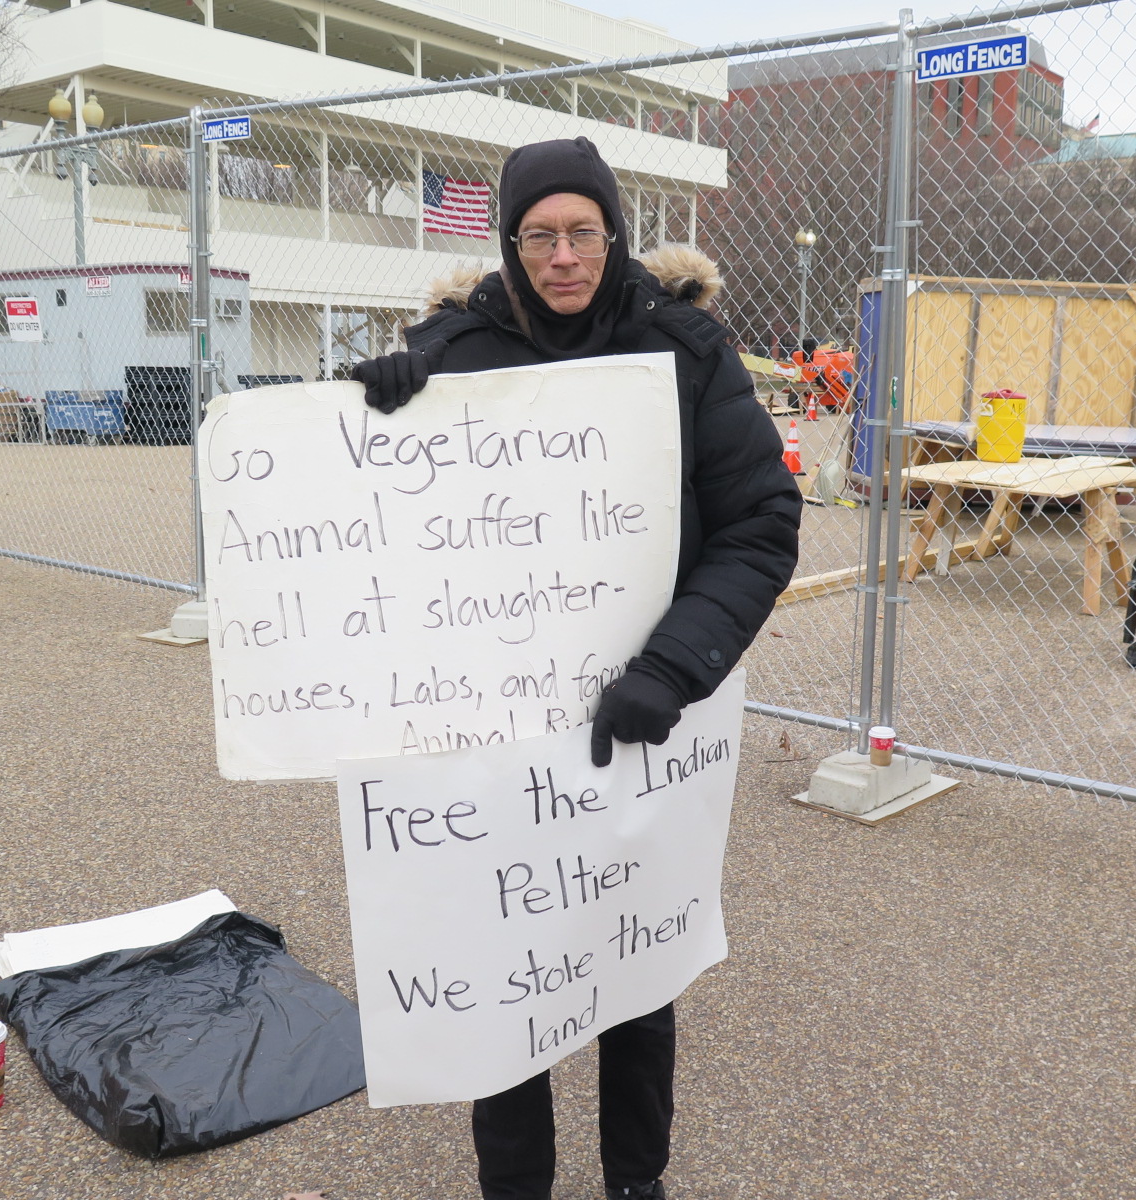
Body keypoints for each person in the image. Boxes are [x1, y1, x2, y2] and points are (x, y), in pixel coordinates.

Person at [351, 136, 802, 1200]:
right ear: (508, 245)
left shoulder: (686, 353)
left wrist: (672, 668)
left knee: (635, 972)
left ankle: (634, 1181)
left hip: (649, 718)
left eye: (582, 232)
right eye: (539, 236)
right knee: (508, 973)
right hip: (497, 743)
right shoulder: (450, 357)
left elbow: (759, 525)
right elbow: (370, 538)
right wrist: (372, 415)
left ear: (615, 233)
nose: (563, 256)